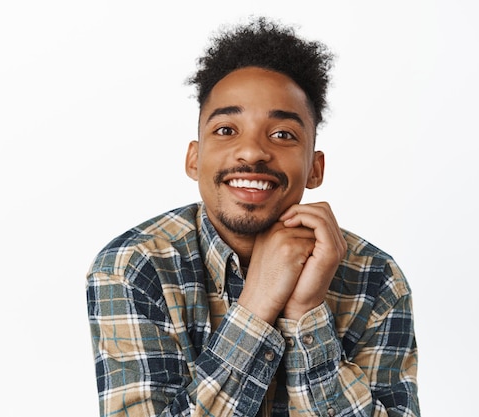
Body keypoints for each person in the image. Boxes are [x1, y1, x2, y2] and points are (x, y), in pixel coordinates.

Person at [86, 17, 419, 417]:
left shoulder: (376, 278)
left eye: (282, 135)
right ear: (194, 159)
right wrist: (257, 303)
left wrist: (306, 314)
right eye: (227, 130)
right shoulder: (134, 266)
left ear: (315, 168)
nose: (252, 152)